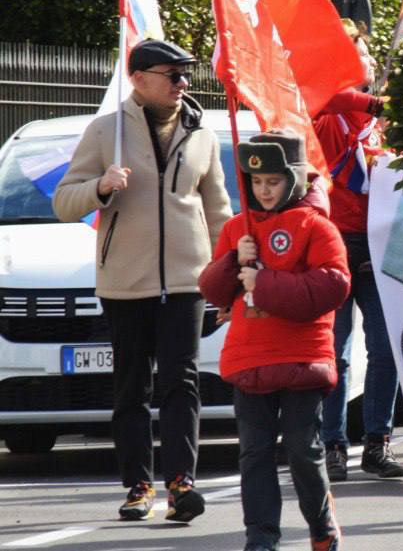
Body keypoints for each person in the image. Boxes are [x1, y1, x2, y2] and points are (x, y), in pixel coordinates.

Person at [53, 38, 232, 522]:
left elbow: (218, 211)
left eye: (185, 74)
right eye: (172, 74)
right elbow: (64, 202)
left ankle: (181, 484)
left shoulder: (203, 133)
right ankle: (137, 485)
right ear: (139, 79)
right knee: (132, 387)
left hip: (186, 281)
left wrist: (227, 276)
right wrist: (100, 186)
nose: (183, 83)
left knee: (182, 381)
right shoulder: (105, 132)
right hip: (125, 283)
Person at [199, 130, 350, 551]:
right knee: (255, 455)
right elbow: (212, 290)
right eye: (257, 182)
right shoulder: (236, 228)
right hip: (250, 359)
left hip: (302, 357)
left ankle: (321, 527)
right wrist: (233, 261)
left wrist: (263, 282)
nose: (264, 190)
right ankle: (261, 538)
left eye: (274, 182)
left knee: (304, 451)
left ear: (295, 180)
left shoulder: (318, 227)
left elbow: (332, 286)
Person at [314, 21, 403, 480]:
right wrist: (376, 102)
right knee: (336, 350)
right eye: (357, 55)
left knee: (386, 349)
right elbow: (325, 97)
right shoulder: (328, 114)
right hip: (334, 244)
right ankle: (333, 443)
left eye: (367, 54)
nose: (367, 61)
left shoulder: (386, 124)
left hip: (380, 243)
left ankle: (378, 442)